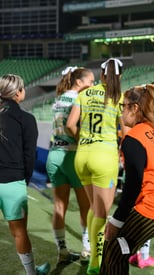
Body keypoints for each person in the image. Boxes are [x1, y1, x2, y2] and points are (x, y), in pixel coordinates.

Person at [100, 84, 154, 274]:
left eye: (124, 106)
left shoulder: (133, 138)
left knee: (113, 248)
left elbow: (133, 186)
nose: (121, 112)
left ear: (135, 108)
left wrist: (117, 221)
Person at [66, 58, 127, 275]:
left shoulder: (84, 94)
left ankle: (91, 250)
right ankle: (95, 261)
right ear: (119, 76)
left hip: (82, 156)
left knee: (94, 208)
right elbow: (126, 132)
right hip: (104, 157)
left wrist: (83, 139)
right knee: (102, 213)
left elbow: (70, 125)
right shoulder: (120, 97)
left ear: (101, 74)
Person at [0, 74, 50, 275]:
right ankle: (31, 273)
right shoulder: (27, 119)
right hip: (14, 183)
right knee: (19, 232)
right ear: (19, 92)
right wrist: (25, 180)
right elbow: (30, 155)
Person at [46, 66, 94, 264]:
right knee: (86, 206)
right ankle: (87, 249)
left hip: (54, 155)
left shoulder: (59, 99)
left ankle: (62, 251)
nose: (92, 85)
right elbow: (73, 125)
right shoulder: (79, 99)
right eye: (90, 82)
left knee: (59, 206)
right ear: (79, 82)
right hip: (72, 155)